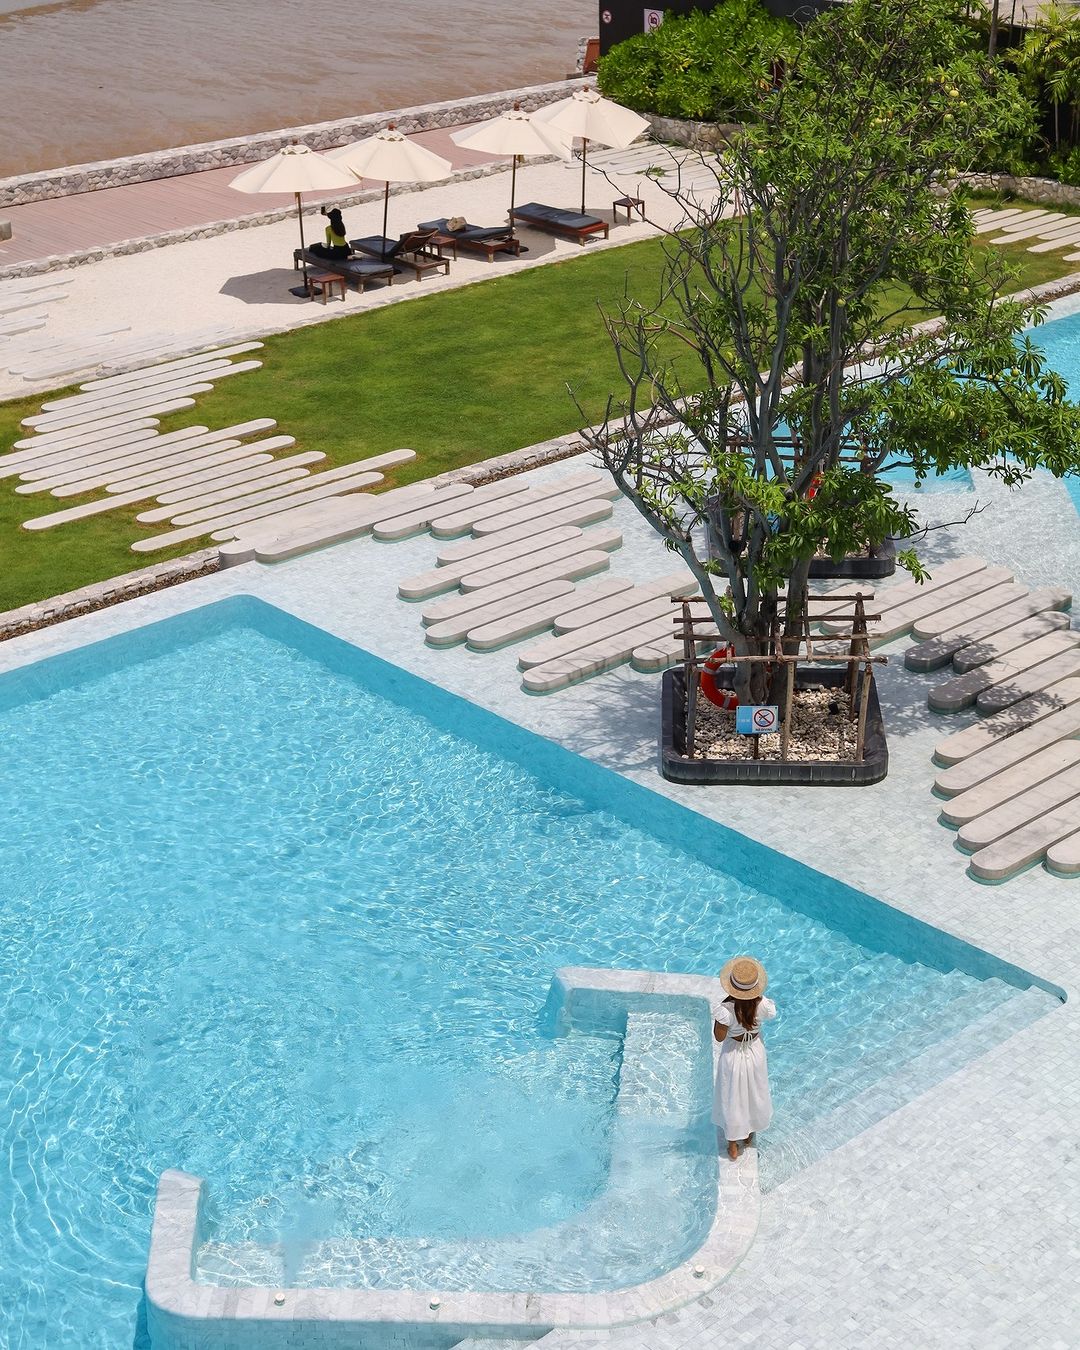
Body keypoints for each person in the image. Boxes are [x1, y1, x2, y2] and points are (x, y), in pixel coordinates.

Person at [712, 955, 776, 1161]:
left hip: (733, 1054)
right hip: (755, 1052)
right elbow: (769, 1014)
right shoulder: (763, 1005)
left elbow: (719, 1037)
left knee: (732, 1096)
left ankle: (732, 1145)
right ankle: (748, 1135)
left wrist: (720, 1019)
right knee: (753, 1092)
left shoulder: (726, 1010)